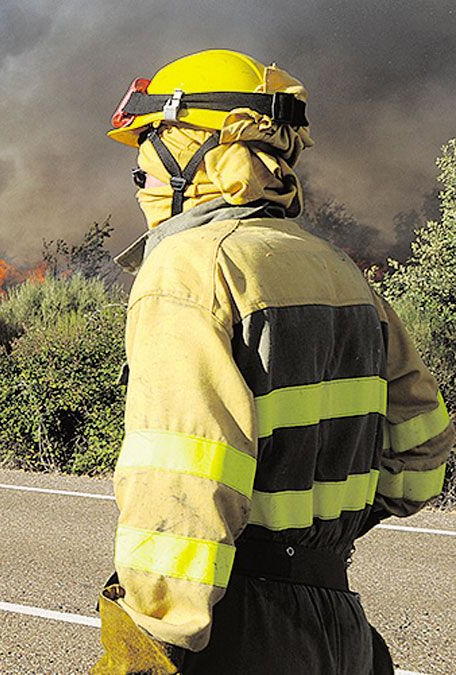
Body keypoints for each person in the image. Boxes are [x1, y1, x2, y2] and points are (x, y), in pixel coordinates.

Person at [92, 49, 454, 674]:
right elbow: (424, 452)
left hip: (239, 629)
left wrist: (153, 645)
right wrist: (313, 546)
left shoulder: (191, 270)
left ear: (208, 155)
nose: (143, 176)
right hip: (338, 624)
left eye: (151, 145)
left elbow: (183, 482)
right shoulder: (341, 270)